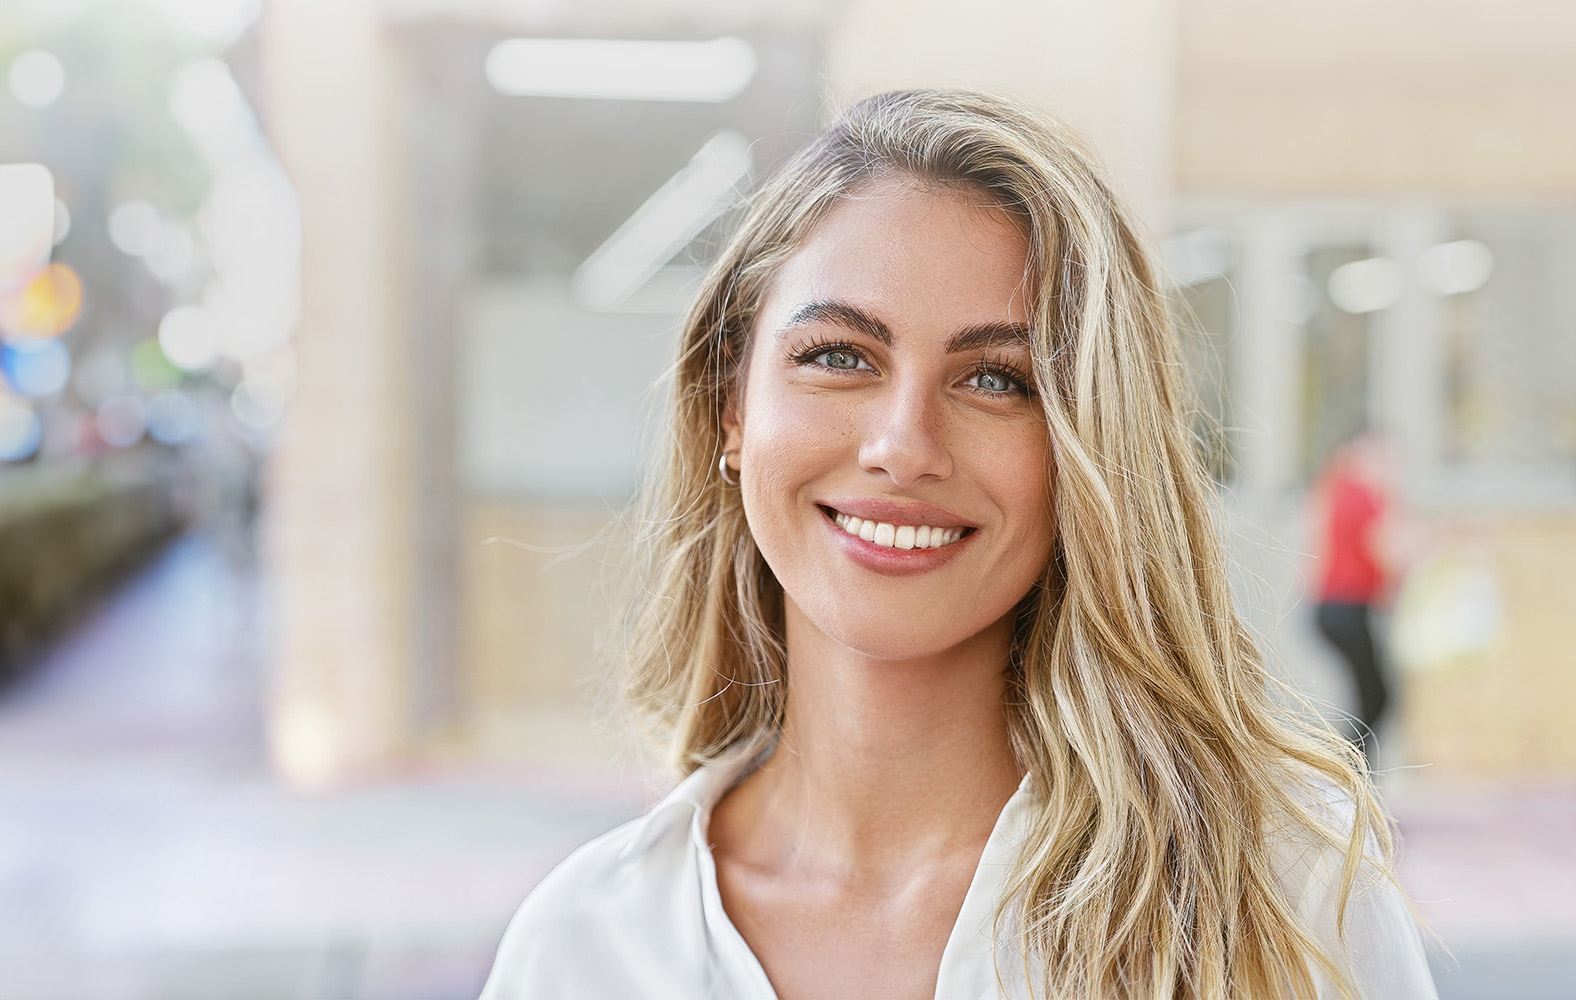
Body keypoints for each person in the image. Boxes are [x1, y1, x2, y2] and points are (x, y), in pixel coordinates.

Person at [479, 90, 1436, 1000]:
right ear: (731, 407)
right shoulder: (585, 946)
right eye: (840, 356)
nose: (903, 446)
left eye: (997, 380)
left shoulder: (1283, 894)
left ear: (1088, 446)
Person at [1311, 431, 1402, 761]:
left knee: (1371, 697)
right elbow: (1389, 548)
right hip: (1346, 608)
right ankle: (1346, 769)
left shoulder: (1336, 488)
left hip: (1332, 608)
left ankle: (1351, 771)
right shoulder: (1364, 493)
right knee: (1376, 697)